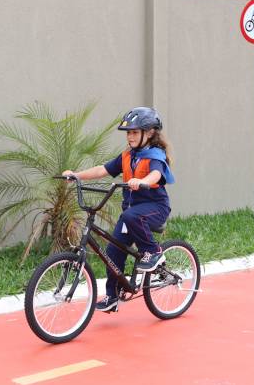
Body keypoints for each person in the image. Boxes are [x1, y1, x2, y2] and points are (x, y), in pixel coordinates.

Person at [62, 106, 175, 313]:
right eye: (128, 133)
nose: (130, 137)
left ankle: (154, 252)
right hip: (133, 213)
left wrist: (142, 182)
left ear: (149, 133)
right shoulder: (127, 157)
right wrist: (76, 175)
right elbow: (101, 170)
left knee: (131, 216)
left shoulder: (155, 155)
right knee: (113, 250)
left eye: (134, 132)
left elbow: (156, 175)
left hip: (155, 208)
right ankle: (112, 297)